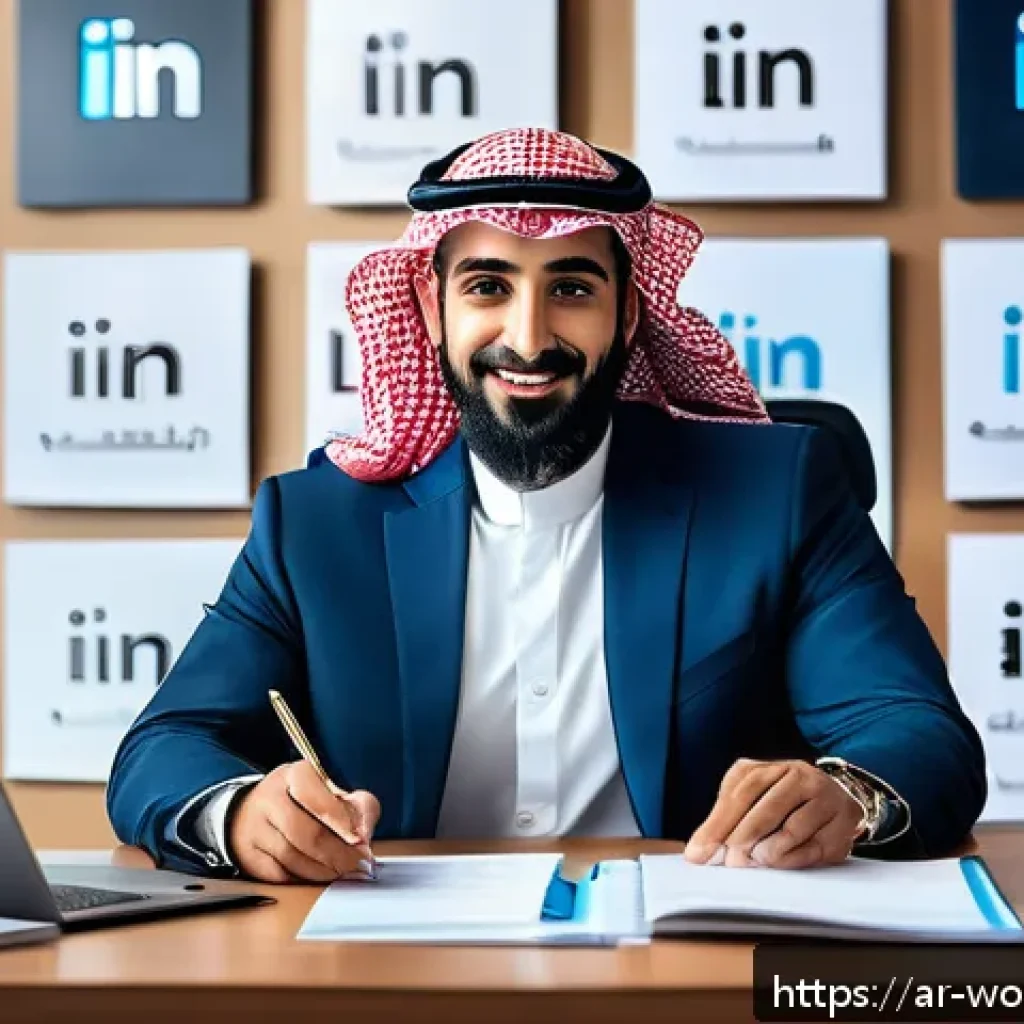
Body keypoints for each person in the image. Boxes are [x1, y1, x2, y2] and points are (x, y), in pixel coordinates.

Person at [106, 129, 985, 883]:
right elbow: (165, 747)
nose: (528, 339)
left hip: (681, 973)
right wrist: (238, 815)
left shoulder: (777, 493)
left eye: (571, 288)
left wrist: (849, 796)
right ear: (430, 307)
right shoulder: (317, 525)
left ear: (630, 313)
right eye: (488, 287)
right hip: (399, 980)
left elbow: (912, 729)